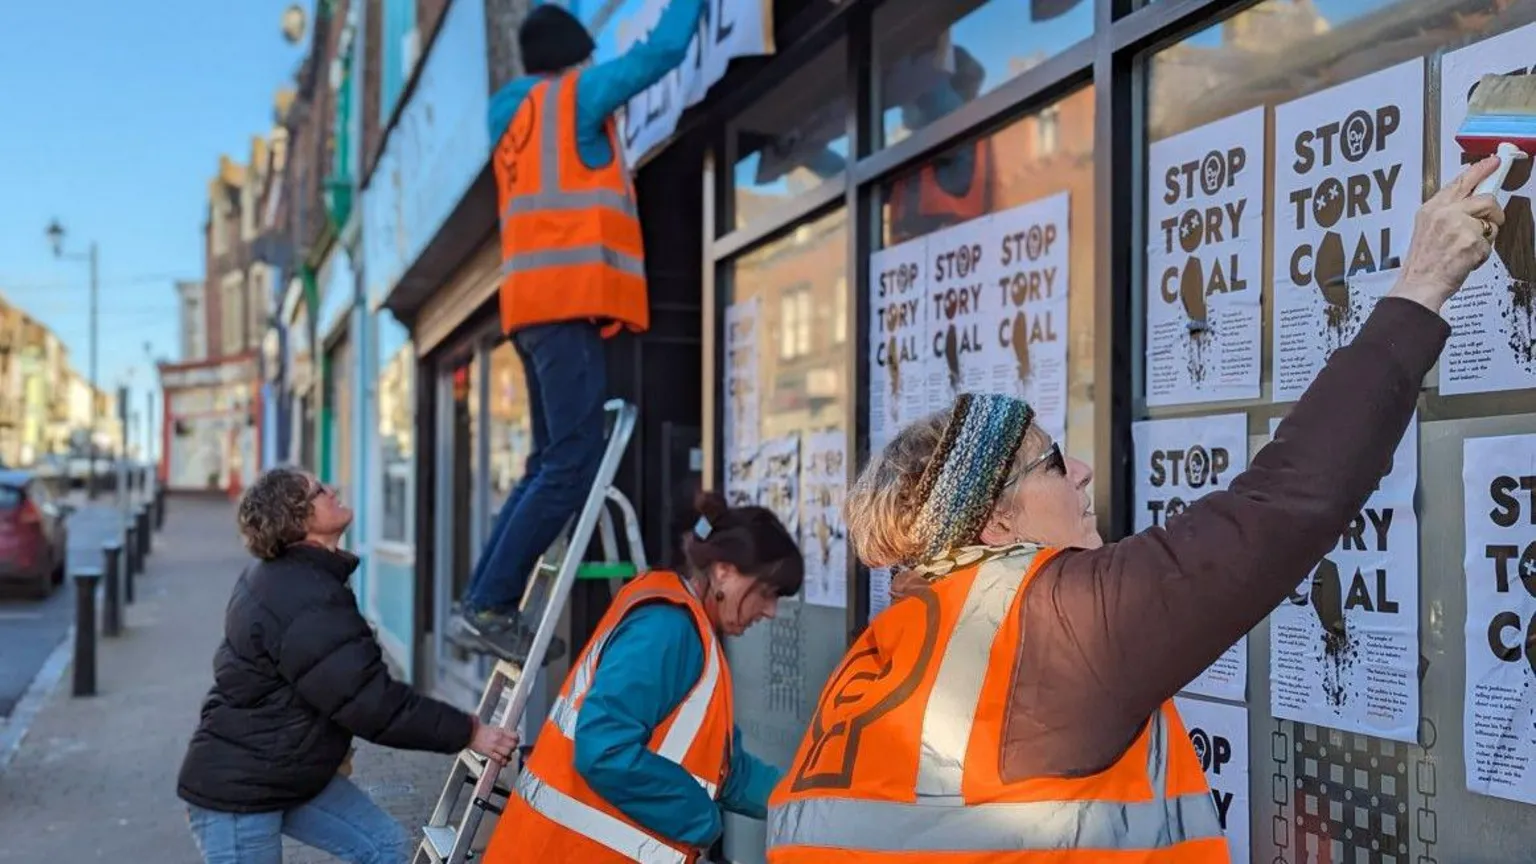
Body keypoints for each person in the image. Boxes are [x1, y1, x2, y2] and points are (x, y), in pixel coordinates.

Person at [763, 156, 1509, 862]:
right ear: (996, 525)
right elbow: (1286, 503)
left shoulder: (890, 647)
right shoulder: (1050, 625)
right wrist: (1420, 286)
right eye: (1053, 462)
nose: (1082, 472)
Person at [455, 0, 707, 665]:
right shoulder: (573, 97)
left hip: (532, 309)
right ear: (573, 55)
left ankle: (482, 597)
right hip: (566, 306)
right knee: (571, 465)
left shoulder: (510, 114)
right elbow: (659, 57)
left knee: (547, 464)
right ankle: (488, 603)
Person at [177, 467, 520, 864]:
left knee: (385, 846)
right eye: (320, 491)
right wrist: (469, 731)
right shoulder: (304, 597)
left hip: (287, 774)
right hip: (237, 795)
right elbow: (372, 703)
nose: (333, 491)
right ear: (298, 517)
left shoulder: (296, 579)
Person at [482, 492, 795, 863]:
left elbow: (726, 767)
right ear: (724, 571)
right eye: (767, 592)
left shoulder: (684, 627)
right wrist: (702, 818)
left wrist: (801, 798)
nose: (771, 611)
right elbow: (604, 749)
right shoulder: (667, 629)